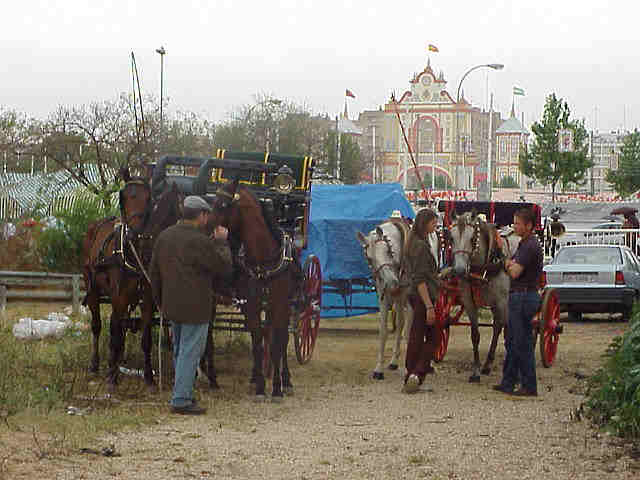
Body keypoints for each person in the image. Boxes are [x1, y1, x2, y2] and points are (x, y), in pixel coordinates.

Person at [150, 195, 232, 415]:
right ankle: (181, 400)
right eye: (207, 215)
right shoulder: (200, 241)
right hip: (196, 308)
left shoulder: (164, 236)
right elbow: (223, 268)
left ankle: (182, 391)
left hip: (171, 305)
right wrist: (221, 242)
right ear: (202, 215)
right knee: (190, 352)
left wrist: (159, 302)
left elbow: (154, 273)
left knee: (180, 350)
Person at [493, 207, 543, 397]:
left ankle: (529, 385)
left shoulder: (529, 246)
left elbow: (514, 272)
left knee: (522, 342)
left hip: (523, 296)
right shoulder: (525, 243)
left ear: (528, 225)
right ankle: (508, 382)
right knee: (513, 341)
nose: (514, 226)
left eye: (517, 223)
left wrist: (506, 262)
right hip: (521, 295)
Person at [402, 208, 440, 394]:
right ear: (425, 224)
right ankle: (417, 373)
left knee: (416, 336)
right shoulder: (421, 247)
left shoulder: (412, 243)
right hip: (423, 297)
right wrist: (429, 306)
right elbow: (420, 280)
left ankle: (411, 374)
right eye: (433, 223)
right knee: (433, 337)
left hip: (414, 295)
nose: (435, 226)